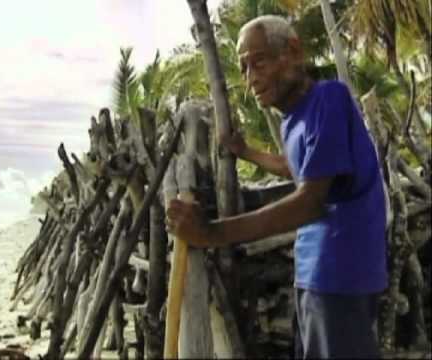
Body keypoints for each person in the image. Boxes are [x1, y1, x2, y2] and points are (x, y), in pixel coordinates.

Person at [166, 15, 388, 359]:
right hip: (312, 275)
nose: (250, 77)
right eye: (243, 68)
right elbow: (297, 169)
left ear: (294, 51)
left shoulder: (330, 99)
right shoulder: (292, 121)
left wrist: (210, 233)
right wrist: (247, 152)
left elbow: (309, 202)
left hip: (342, 272)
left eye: (260, 61)